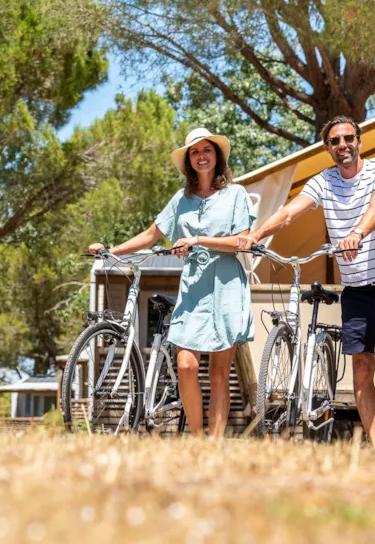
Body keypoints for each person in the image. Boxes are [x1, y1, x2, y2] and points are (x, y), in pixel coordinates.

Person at [237, 115, 375, 448]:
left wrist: (356, 234)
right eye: (335, 141)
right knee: (361, 365)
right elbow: (290, 212)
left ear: (359, 141)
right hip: (356, 290)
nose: (343, 145)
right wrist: (256, 234)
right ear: (328, 148)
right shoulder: (324, 181)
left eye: (349, 138)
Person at [88, 128, 256, 438]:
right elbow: (152, 235)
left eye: (207, 150)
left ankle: (213, 446)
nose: (201, 156)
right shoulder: (182, 199)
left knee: (219, 374)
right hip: (193, 286)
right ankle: (196, 437)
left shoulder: (236, 194)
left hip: (227, 283)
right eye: (194, 152)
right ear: (189, 160)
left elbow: (242, 241)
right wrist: (112, 251)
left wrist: (197, 240)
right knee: (186, 366)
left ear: (217, 156)